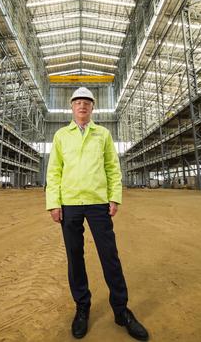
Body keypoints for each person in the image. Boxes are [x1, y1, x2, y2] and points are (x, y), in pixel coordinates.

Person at [46, 87, 149, 341]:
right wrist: (53, 203)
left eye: (87, 103)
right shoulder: (61, 136)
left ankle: (121, 310)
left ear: (93, 108)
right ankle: (82, 308)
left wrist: (115, 197)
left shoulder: (103, 134)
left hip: (97, 202)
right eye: (78, 102)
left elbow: (113, 168)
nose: (82, 106)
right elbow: (54, 171)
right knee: (74, 256)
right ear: (72, 107)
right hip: (69, 203)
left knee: (109, 255)